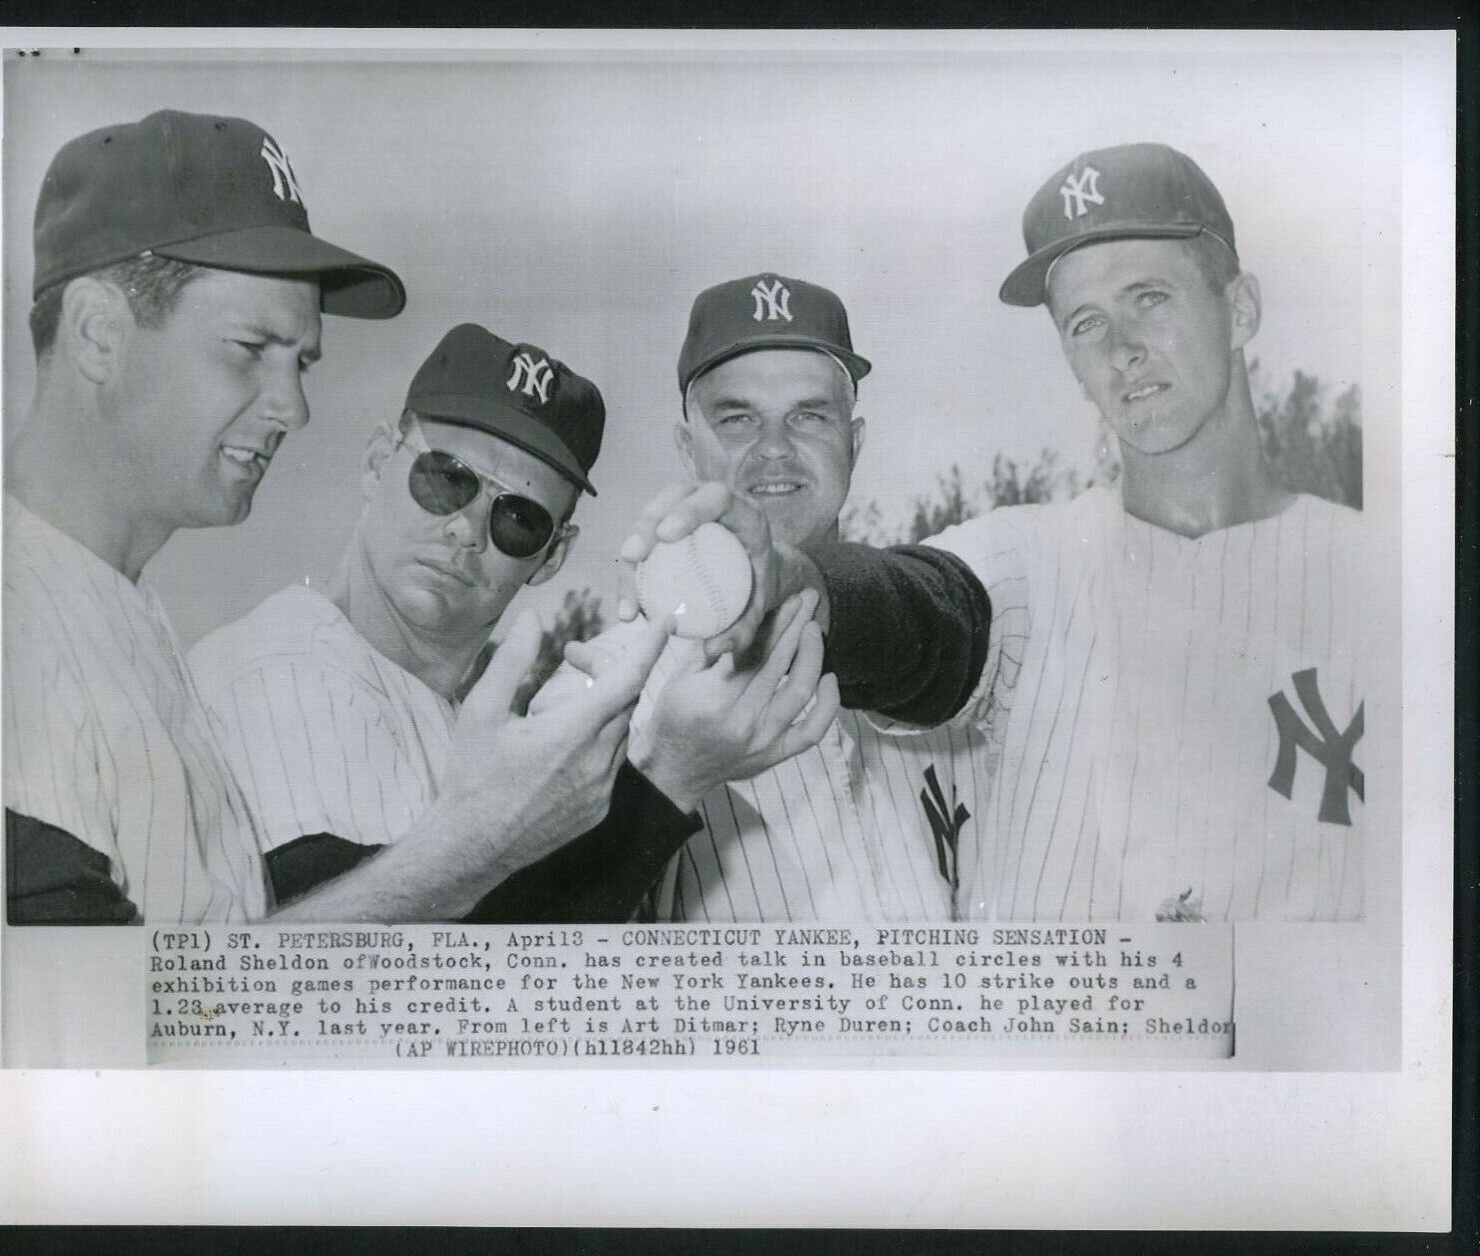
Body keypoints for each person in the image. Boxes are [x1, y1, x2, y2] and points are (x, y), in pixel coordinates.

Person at [628, 145, 1366, 923]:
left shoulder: (1384, 573)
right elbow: (931, 608)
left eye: (1150, 297)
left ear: (1241, 308)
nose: (1121, 347)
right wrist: (797, 584)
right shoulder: (1029, 556)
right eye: (1086, 321)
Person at [3, 110, 666, 925]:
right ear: (100, 335)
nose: (294, 407)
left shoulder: (121, 616)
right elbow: (90, 1034)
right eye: (250, 349)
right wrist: (492, 838)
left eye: (302, 361)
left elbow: (181, 1005)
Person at [189, 323, 837, 922]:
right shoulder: (290, 667)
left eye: (518, 517)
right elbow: (389, 1000)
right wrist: (668, 776)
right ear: (378, 460)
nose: (466, 529)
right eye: (446, 479)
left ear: (552, 555)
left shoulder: (435, 705)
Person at [592, 274, 989, 923]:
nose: (774, 448)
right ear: (688, 452)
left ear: (854, 443)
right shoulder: (606, 683)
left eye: (808, 415)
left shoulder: (943, 656)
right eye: (738, 417)